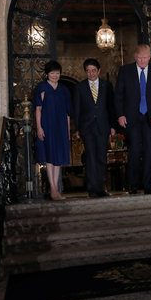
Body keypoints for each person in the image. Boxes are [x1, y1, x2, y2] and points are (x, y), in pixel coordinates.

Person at [115, 44, 151, 195]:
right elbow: (119, 95)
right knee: (135, 151)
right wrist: (120, 114)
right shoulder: (125, 71)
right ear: (135, 57)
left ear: (150, 57)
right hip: (132, 118)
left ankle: (149, 186)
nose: (143, 60)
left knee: (150, 151)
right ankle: (133, 185)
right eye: (140, 58)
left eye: (146, 58)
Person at [73, 58, 116, 198]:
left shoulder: (106, 85)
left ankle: (101, 188)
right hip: (87, 127)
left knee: (102, 157)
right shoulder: (80, 87)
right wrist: (77, 129)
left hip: (103, 126)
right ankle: (92, 188)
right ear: (85, 72)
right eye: (88, 71)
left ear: (99, 71)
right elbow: (77, 109)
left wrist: (112, 126)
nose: (91, 73)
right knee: (90, 157)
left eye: (93, 70)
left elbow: (111, 107)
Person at [34, 60, 72, 201]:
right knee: (50, 157)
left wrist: (67, 131)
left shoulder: (64, 90)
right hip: (47, 125)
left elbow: (68, 113)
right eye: (52, 73)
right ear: (47, 74)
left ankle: (56, 188)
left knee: (59, 159)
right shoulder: (42, 88)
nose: (55, 75)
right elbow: (38, 109)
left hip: (61, 126)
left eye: (57, 73)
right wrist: (39, 127)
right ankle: (53, 189)